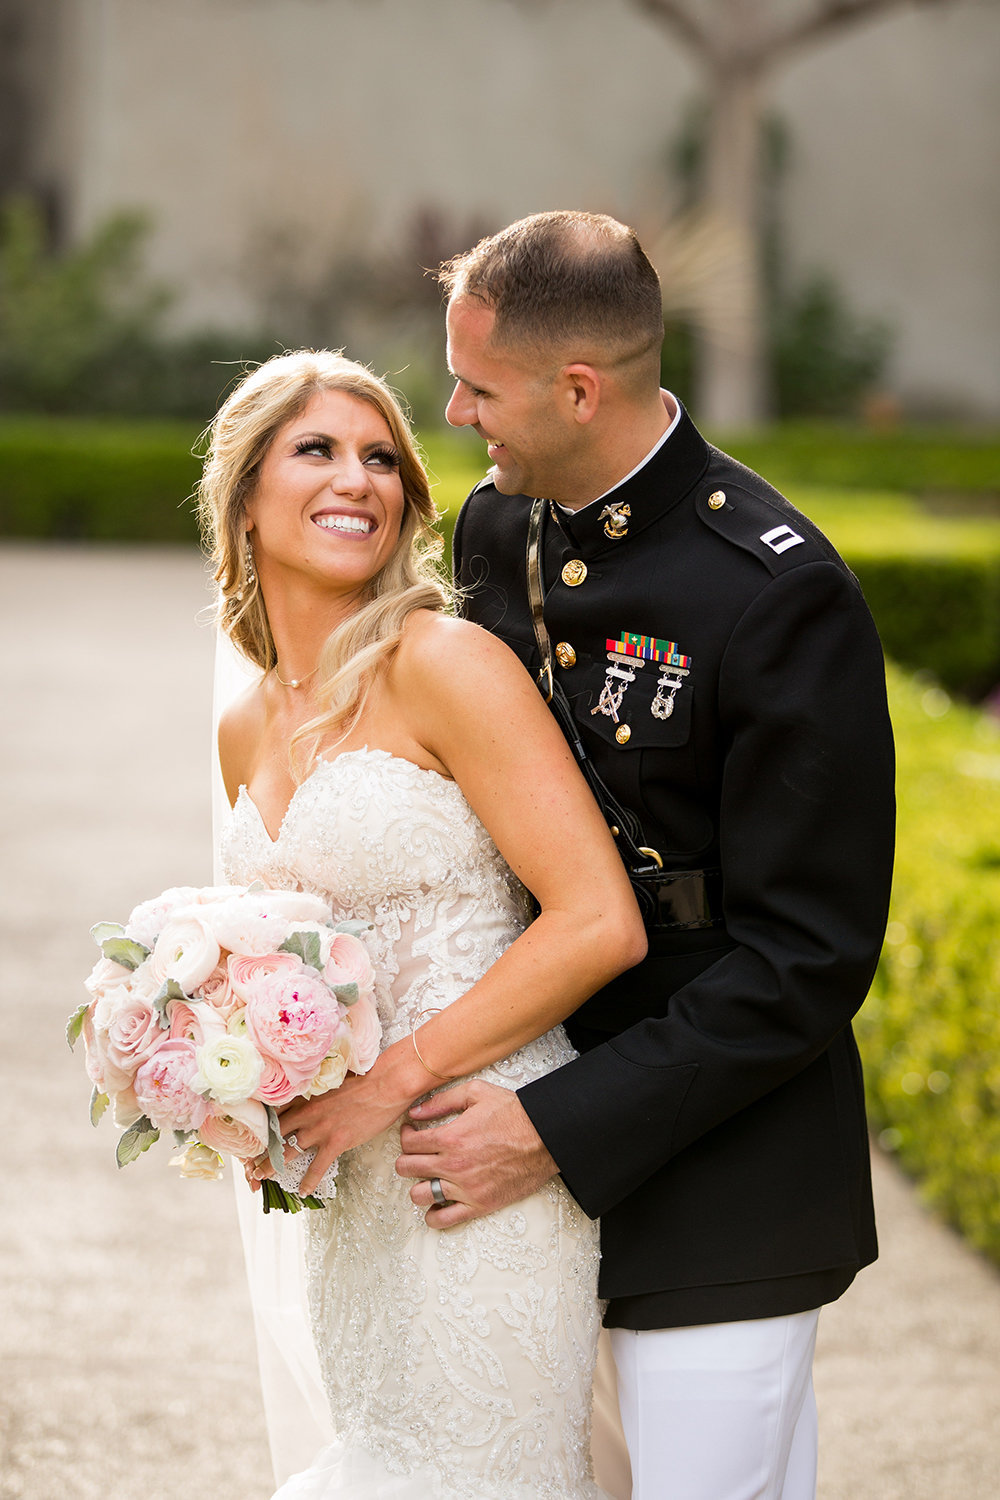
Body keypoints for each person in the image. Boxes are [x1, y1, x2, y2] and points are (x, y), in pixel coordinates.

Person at [395, 211, 897, 1500]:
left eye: (477, 385)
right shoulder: (499, 531)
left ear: (578, 388)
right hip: (528, 1141)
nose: (452, 412)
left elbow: (805, 960)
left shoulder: (773, 588)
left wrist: (550, 1130)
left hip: (726, 1168)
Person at [200, 347, 646, 1499]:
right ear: (244, 494)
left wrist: (386, 1087)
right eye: (317, 451)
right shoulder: (244, 727)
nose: (360, 479)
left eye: (382, 458)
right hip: (350, 1196)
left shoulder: (443, 662)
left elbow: (599, 920)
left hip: (478, 1156)